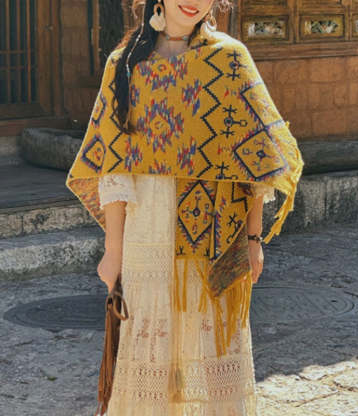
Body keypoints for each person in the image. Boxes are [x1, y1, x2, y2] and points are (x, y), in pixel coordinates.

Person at [66, 0, 304, 414]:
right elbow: (114, 169)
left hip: (215, 237)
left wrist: (253, 239)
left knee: (211, 358)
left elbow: (255, 161)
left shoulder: (230, 59)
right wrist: (113, 251)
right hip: (146, 233)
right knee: (150, 357)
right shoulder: (124, 65)